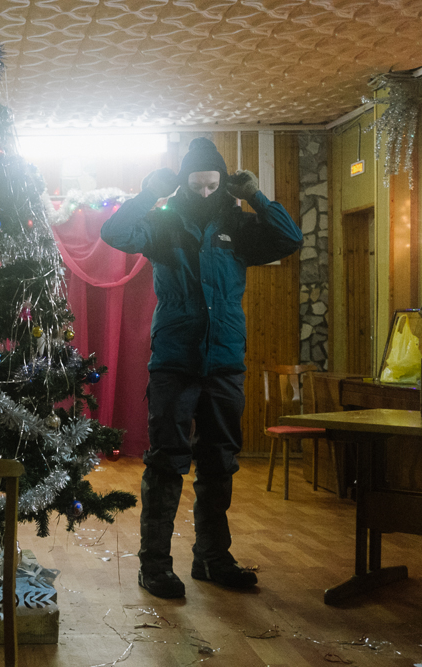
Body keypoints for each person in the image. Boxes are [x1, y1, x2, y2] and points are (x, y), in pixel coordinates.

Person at [100, 137, 303, 599]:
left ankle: (213, 558)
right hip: (175, 362)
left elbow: (290, 239)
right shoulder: (163, 224)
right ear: (184, 183)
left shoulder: (239, 225)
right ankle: (154, 565)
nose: (206, 192)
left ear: (224, 182)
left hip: (225, 363)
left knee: (219, 463)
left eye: (214, 184)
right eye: (197, 185)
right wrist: (150, 193)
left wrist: (256, 196)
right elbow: (115, 233)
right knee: (166, 463)